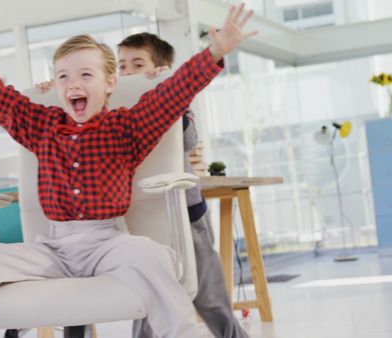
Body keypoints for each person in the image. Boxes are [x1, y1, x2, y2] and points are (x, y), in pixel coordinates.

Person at [0, 0, 257, 337]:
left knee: (153, 255)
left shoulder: (127, 128)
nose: (72, 83)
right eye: (62, 76)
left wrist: (213, 53)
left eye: (85, 74)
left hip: (108, 240)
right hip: (53, 247)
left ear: (109, 83)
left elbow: (173, 94)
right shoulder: (39, 125)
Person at [54, 32, 250, 338]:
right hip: (133, 218)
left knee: (209, 296)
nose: (129, 71)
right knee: (145, 296)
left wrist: (164, 87)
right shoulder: (101, 101)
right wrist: (51, 89)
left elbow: (188, 140)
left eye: (138, 64)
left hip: (184, 211)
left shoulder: (163, 95)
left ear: (158, 68)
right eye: (122, 65)